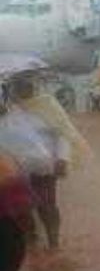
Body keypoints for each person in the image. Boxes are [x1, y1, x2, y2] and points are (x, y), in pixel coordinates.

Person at [10, 76, 91, 249]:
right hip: (18, 168)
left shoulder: (48, 105)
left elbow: (63, 133)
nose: (23, 89)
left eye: (27, 85)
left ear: (34, 86)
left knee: (47, 205)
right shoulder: (11, 110)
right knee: (22, 207)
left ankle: (54, 242)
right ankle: (31, 241)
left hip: (45, 166)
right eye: (18, 86)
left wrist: (62, 158)